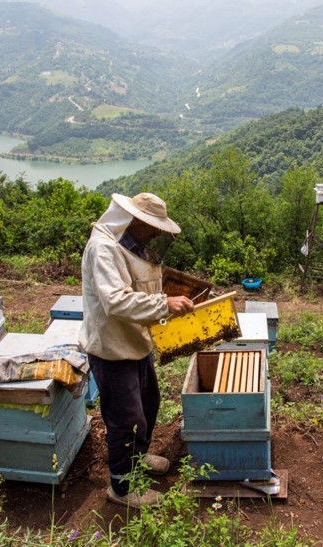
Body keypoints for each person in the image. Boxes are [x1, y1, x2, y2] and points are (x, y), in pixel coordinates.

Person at [79, 192, 194, 508]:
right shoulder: (103, 249)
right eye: (153, 227)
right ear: (135, 221)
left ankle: (136, 458)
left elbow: (144, 287)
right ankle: (122, 487)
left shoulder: (134, 246)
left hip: (136, 342)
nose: (156, 233)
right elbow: (115, 301)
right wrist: (164, 304)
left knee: (147, 405)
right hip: (112, 349)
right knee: (126, 420)